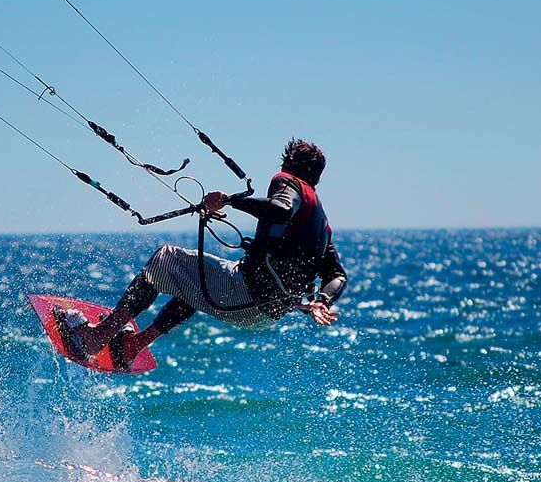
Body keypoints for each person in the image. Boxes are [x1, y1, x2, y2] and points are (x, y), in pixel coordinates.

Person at [58, 138, 348, 369]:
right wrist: (322, 300)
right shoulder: (320, 226)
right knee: (194, 280)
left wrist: (228, 200)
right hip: (268, 313)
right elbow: (337, 276)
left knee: (166, 259)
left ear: (288, 164)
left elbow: (281, 209)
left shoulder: (289, 183)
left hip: (246, 295)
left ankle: (97, 337)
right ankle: (131, 347)